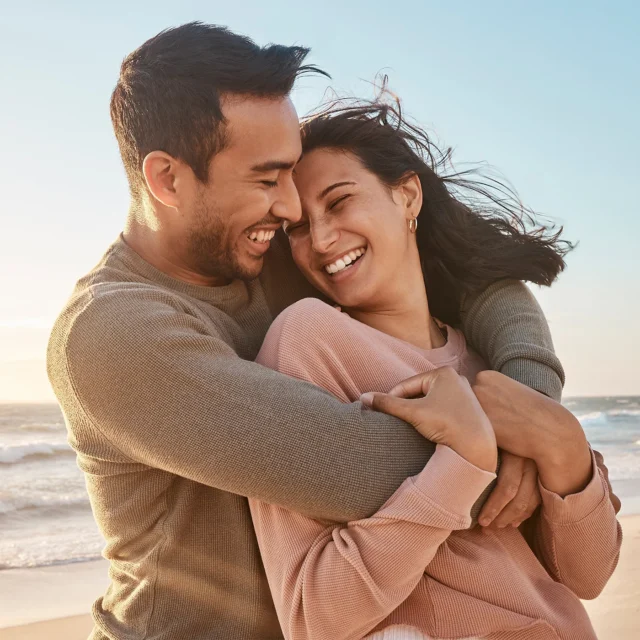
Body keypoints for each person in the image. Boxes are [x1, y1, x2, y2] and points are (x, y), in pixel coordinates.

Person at [47, 23, 568, 639]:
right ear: (167, 180)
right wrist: (529, 449)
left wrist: (529, 396)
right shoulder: (112, 334)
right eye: (267, 179)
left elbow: (474, 278)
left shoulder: (264, 251)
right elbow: (354, 469)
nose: (294, 209)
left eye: (292, 174)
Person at [248, 100, 622, 640]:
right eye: (300, 228)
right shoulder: (310, 339)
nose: (323, 239)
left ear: (407, 195)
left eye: (340, 202)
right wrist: (461, 462)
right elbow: (312, 617)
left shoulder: (488, 358)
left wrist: (564, 445)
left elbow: (589, 575)